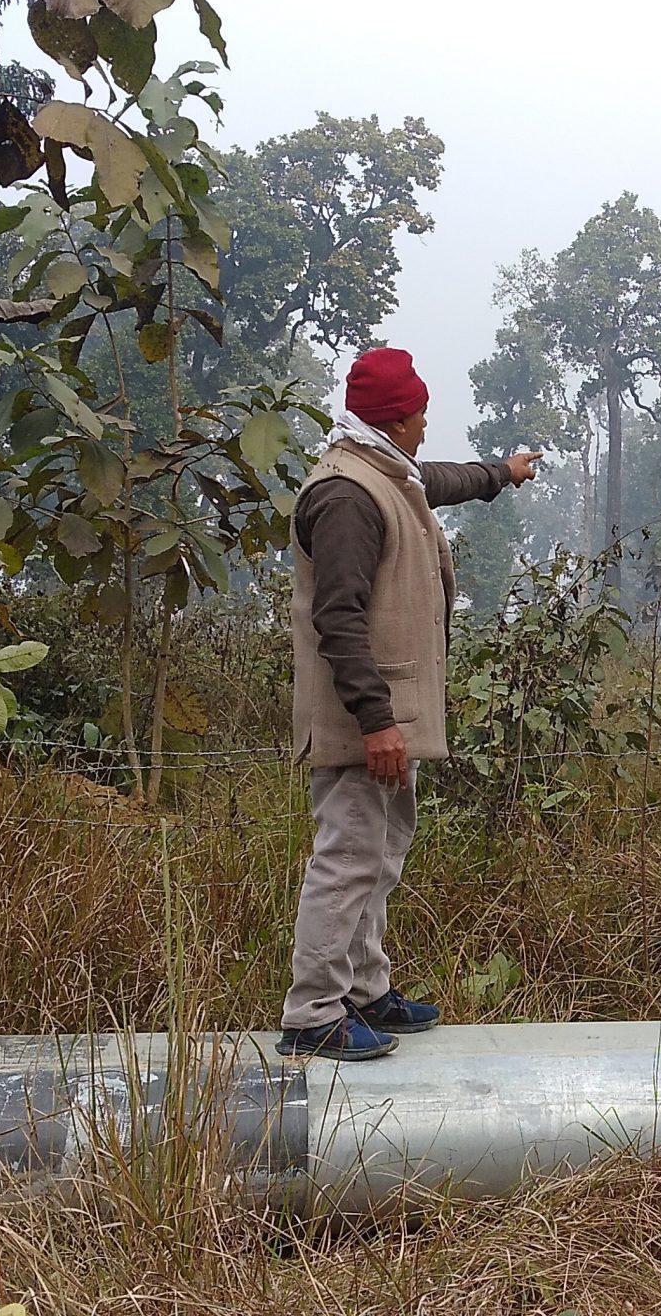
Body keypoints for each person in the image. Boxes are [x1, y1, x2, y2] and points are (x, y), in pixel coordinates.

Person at [280, 347, 540, 1060]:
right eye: (422, 415)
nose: (427, 427)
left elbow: (439, 480)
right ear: (399, 419)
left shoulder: (383, 470)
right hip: (365, 722)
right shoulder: (346, 497)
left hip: (386, 721)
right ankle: (313, 1014)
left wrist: (502, 475)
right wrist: (376, 720)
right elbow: (339, 618)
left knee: (379, 853)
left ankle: (363, 992)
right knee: (348, 856)